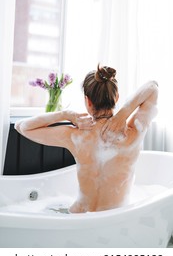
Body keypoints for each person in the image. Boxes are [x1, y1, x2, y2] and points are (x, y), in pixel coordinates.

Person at [15, 64, 158, 213]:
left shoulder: (75, 136)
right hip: (114, 220)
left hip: (79, 216)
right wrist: (125, 113)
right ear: (116, 98)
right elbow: (153, 87)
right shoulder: (132, 134)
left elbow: (22, 127)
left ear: (87, 101)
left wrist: (66, 114)